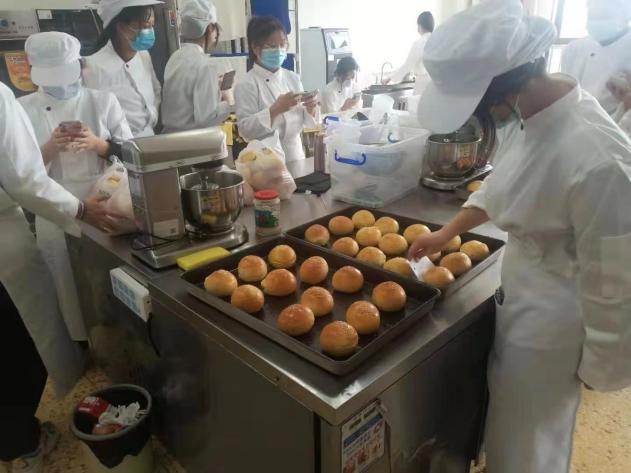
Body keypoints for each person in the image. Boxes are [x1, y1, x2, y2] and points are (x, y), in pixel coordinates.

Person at [411, 1, 631, 473]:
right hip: (521, 299)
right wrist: (447, 233)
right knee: (509, 426)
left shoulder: (599, 157)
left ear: (502, 94)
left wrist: (602, 365)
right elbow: (504, 181)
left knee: (531, 444)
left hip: (555, 327)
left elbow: (615, 280)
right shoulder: (537, 114)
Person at [0, 81, 115, 472]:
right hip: (13, 236)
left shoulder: (101, 99)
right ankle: (23, 445)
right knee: (17, 347)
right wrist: (80, 210)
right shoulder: (6, 100)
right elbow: (25, 179)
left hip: (65, 204)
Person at [19, 31, 133, 342]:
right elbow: (20, 171)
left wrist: (98, 145)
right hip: (54, 210)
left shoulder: (102, 101)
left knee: (111, 283)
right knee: (68, 289)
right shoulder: (22, 109)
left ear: (79, 66)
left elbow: (132, 153)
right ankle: (82, 346)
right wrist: (50, 148)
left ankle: (122, 343)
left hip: (106, 204)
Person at [234, 16, 318, 163]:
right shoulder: (246, 83)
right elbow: (245, 130)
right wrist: (275, 110)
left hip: (296, 155)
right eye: (272, 45)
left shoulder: (292, 78)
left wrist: (311, 108)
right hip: (265, 161)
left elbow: (307, 121)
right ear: (255, 48)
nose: (279, 50)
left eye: (282, 44)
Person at [83, 0, 162, 137]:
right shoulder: (93, 67)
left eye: (151, 26)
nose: (149, 32)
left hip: (150, 138)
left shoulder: (144, 55)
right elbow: (93, 118)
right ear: (120, 26)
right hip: (118, 145)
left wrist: (153, 115)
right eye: (144, 26)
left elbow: (156, 90)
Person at [161, 0, 231, 133]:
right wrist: (227, 100)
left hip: (168, 138)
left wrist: (213, 87)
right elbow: (207, 118)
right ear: (209, 28)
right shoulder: (205, 65)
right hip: (194, 140)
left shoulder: (175, 57)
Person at [561, 0, 631, 115]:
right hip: (573, 120)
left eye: (605, 15)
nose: (598, 22)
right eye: (593, 16)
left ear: (626, 14)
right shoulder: (574, 48)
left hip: (617, 123)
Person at [384, 11, 434, 96]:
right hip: (435, 85)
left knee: (418, 103)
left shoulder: (419, 43)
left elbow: (407, 65)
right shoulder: (437, 41)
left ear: (420, 25)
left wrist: (390, 78)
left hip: (422, 85)